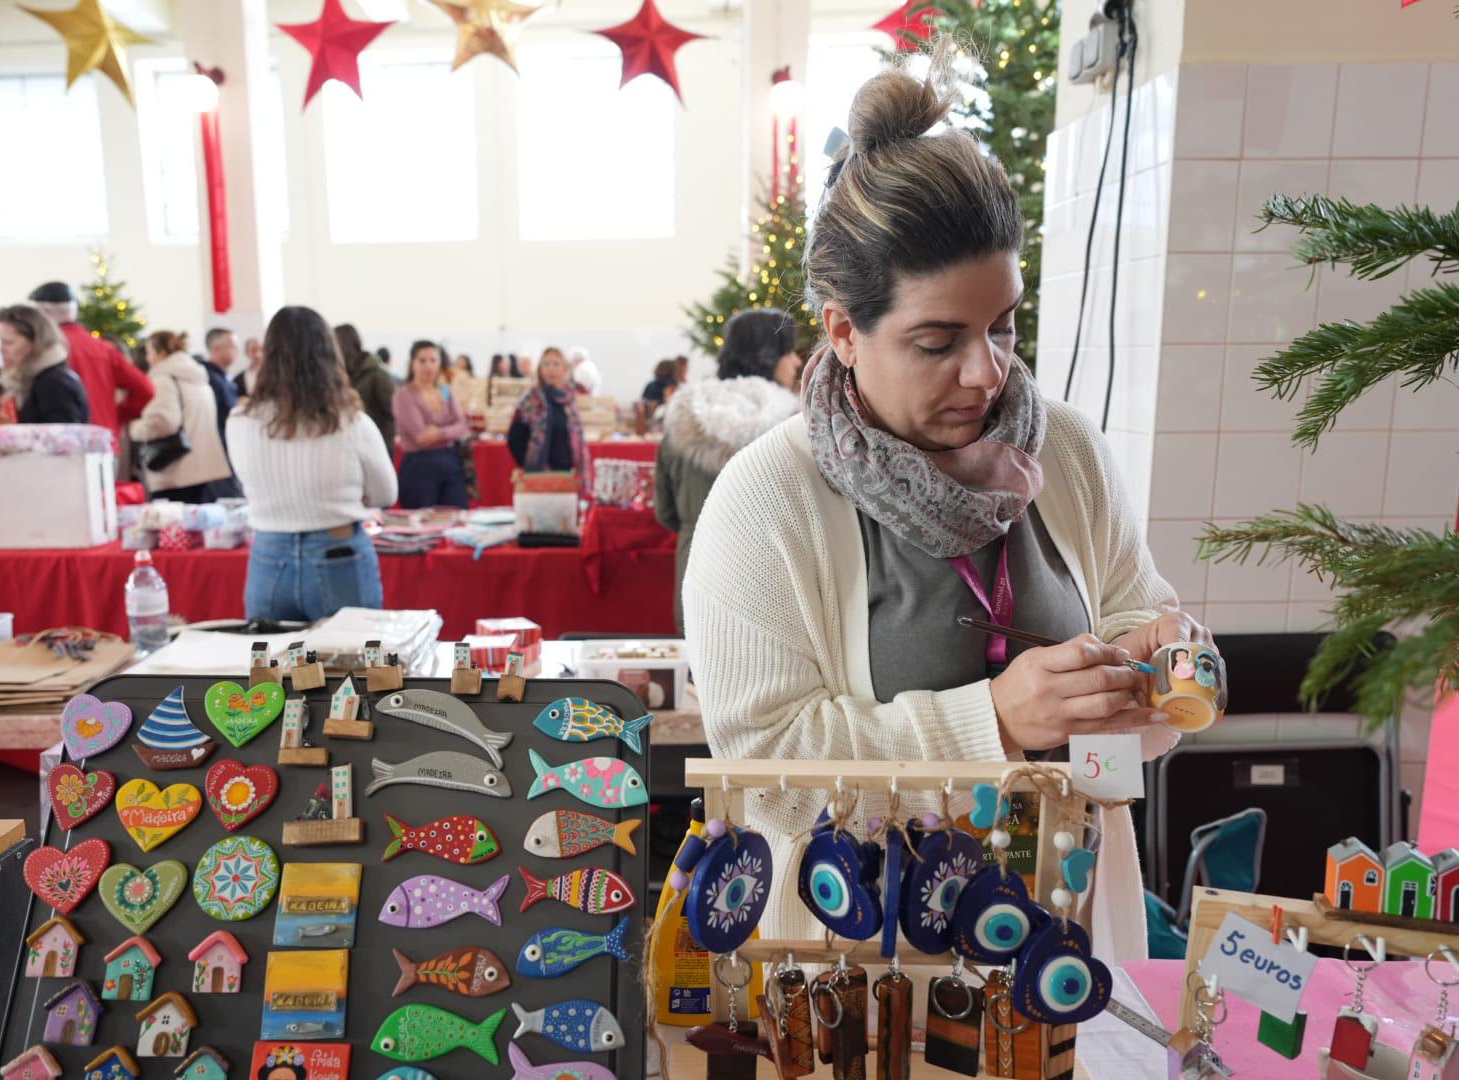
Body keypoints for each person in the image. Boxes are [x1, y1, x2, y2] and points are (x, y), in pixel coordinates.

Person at [684, 40, 1214, 964]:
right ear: (844, 331)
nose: (987, 372)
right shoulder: (766, 501)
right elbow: (764, 771)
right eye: (938, 342)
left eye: (1003, 325)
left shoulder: (1066, 450)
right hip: (867, 978)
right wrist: (994, 721)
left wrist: (1155, 669)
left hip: (1066, 945)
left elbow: (1136, 617)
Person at [227, 306, 396, 621]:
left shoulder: (239, 421)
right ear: (329, 356)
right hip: (339, 551)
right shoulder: (351, 422)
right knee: (353, 652)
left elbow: (246, 481)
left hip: (269, 553)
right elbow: (386, 494)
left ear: (268, 355)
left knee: (270, 655)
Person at [656, 308, 801, 631]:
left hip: (696, 578)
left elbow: (665, 512)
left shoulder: (682, 420)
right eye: (789, 351)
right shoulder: (796, 426)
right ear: (768, 356)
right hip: (773, 587)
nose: (796, 361)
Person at [27, 282, 153, 445]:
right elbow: (146, 389)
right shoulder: (102, 348)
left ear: (44, 314)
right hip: (104, 440)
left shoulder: (45, 348)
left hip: (65, 442)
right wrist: (115, 415)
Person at [128, 331, 233, 504]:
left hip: (176, 471)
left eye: (149, 352)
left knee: (174, 520)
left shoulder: (163, 379)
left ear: (161, 353)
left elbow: (161, 422)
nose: (148, 358)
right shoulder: (198, 377)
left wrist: (132, 428)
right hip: (203, 469)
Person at [393, 340, 470, 509]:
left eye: (433, 360)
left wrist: (439, 433)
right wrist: (449, 431)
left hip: (450, 460)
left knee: (457, 515)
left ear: (439, 363)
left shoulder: (445, 390)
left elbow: (463, 426)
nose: (428, 366)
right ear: (412, 363)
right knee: (420, 519)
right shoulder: (404, 394)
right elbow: (421, 436)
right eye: (422, 361)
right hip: (419, 465)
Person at [507, 346, 591, 494]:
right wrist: (530, 462)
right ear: (540, 370)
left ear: (565, 369)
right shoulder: (530, 400)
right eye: (546, 364)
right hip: (539, 475)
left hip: (567, 475)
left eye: (556, 364)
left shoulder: (569, 400)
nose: (551, 369)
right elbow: (514, 438)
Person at [0, 304, 89, 424]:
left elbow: (63, 433)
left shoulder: (54, 384)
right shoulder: (26, 380)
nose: (1, 350)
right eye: (0, 342)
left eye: (8, 343)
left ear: (36, 343)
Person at [334, 323, 396, 457]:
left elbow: (393, 413)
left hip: (378, 447)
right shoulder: (339, 374)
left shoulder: (378, 374)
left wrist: (384, 445)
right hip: (348, 447)